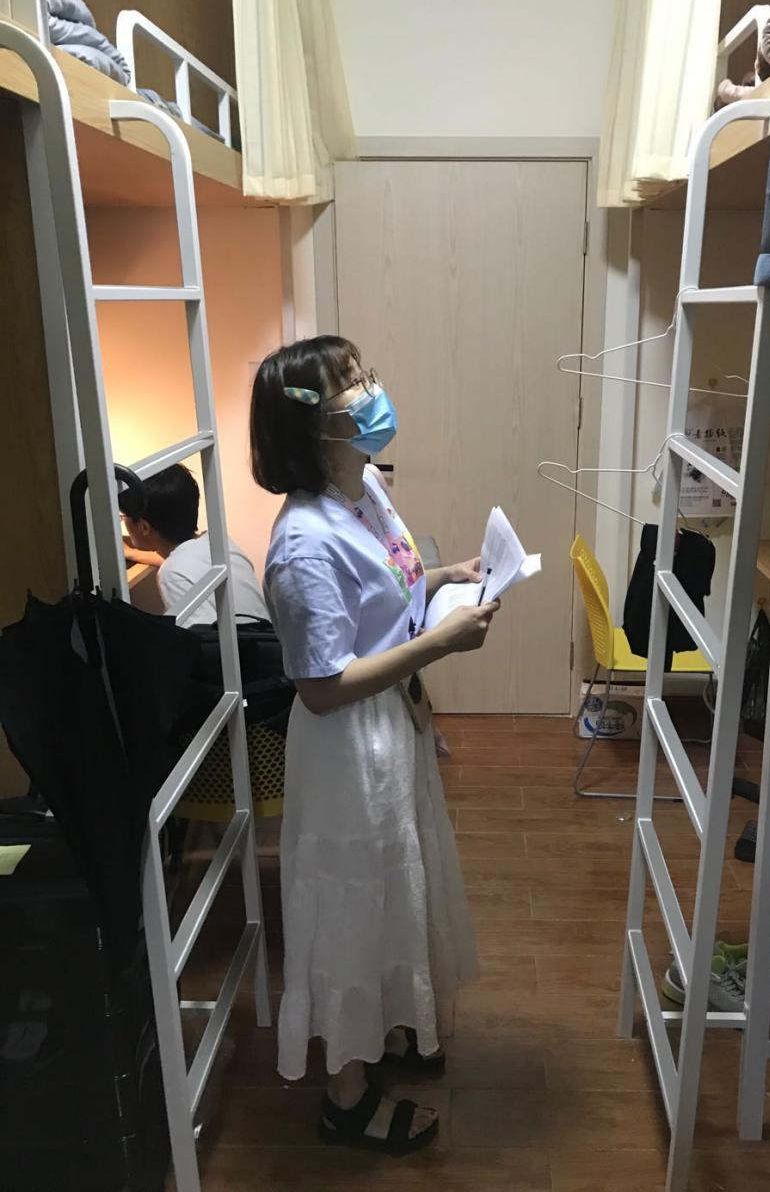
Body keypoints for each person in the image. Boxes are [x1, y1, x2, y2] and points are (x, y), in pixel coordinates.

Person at [250, 335, 498, 1155]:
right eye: (350, 384)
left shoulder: (365, 490)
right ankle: (345, 1098)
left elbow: (385, 588)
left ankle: (390, 1027)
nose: (370, 391)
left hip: (393, 731)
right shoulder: (301, 546)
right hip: (347, 748)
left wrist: (443, 578)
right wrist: (439, 643)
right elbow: (321, 686)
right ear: (308, 422)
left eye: (364, 374)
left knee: (395, 886)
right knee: (351, 907)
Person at [121, 463, 269, 627]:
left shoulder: (172, 574)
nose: (122, 520)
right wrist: (131, 553)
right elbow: (183, 563)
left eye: (123, 516)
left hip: (240, 643)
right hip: (264, 637)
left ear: (144, 527)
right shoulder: (216, 543)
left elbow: (202, 640)